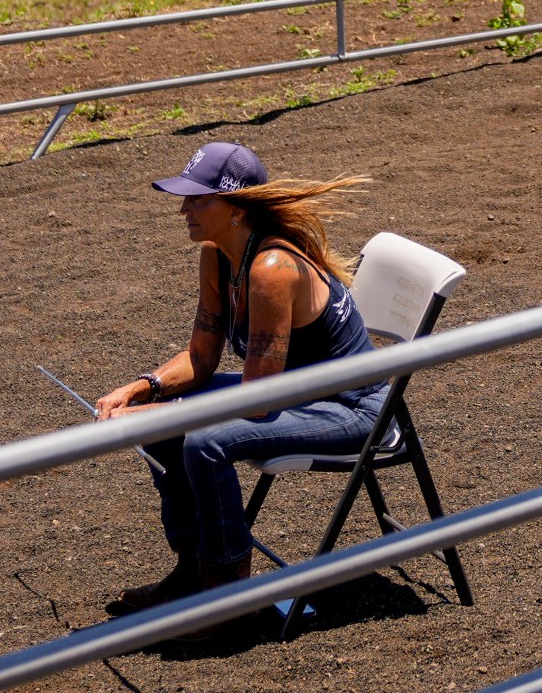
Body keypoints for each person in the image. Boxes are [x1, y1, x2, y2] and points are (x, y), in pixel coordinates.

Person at [95, 142, 388, 622]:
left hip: (351, 409)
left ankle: (225, 598)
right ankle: (193, 573)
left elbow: (256, 401)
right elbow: (201, 356)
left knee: (205, 443)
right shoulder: (218, 253)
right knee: (165, 425)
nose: (184, 209)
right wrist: (143, 388)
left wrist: (153, 414)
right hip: (295, 390)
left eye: (199, 199)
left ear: (236, 209)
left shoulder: (271, 269)